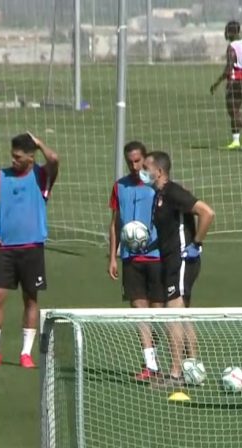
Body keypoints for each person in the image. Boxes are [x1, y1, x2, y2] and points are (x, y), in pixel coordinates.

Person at [0, 133, 59, 368]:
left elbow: (54, 159)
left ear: (31, 157)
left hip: (32, 248)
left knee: (30, 298)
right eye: (12, 156)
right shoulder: (1, 176)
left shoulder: (41, 176)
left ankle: (25, 354)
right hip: (7, 249)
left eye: (18, 157)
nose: (13, 161)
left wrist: (39, 142)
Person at [143, 151, 215, 382]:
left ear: (159, 171)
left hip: (182, 260)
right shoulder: (159, 195)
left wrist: (197, 243)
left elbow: (207, 212)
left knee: (173, 315)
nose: (142, 172)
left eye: (146, 168)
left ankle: (175, 372)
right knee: (183, 315)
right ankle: (193, 370)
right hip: (172, 260)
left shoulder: (173, 191)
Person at [107, 141, 164, 380]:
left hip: (156, 256)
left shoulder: (157, 185)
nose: (133, 165)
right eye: (129, 161)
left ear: (145, 159)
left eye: (138, 161)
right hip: (130, 257)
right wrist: (112, 256)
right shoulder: (119, 187)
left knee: (158, 313)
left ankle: (162, 357)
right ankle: (150, 366)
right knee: (139, 311)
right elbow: (115, 222)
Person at [210, 21, 242, 150]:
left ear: (230, 32)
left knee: (232, 110)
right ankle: (236, 140)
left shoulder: (232, 47)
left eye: (226, 31)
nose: (225, 34)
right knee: (235, 110)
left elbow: (229, 67)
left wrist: (217, 83)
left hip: (235, 79)